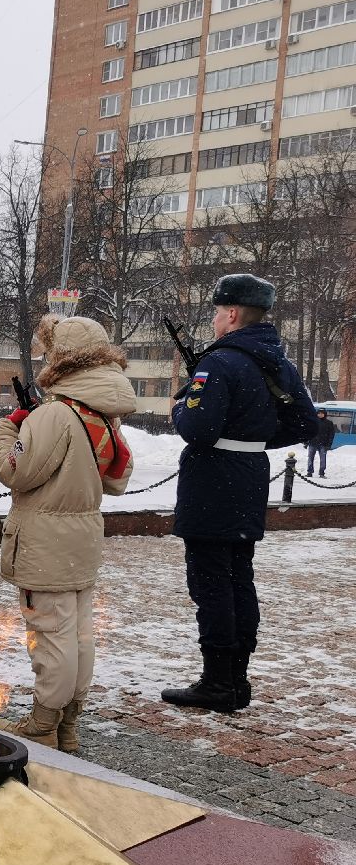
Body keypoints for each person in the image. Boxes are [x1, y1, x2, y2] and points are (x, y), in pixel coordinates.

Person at [162, 274, 318, 715]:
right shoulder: (277, 362)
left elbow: (198, 428)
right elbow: (305, 424)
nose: (214, 319)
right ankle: (236, 678)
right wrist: (252, 441)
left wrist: (180, 404)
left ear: (231, 314)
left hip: (213, 481)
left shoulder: (222, 361)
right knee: (238, 579)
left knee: (210, 583)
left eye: (216, 312)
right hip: (248, 478)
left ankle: (216, 682)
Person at [0, 316, 136, 750]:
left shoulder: (56, 413)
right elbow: (118, 478)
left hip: (44, 543)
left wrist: (8, 432)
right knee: (78, 635)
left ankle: (43, 724)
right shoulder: (103, 416)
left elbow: (13, 471)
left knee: (51, 637)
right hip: (82, 539)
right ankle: (68, 723)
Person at [308, 408, 336, 477]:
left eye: (321, 413)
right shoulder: (313, 421)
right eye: (319, 413)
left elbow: (331, 434)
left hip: (323, 444)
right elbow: (308, 431)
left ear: (324, 414)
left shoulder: (329, 423)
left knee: (323, 459)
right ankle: (309, 472)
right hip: (312, 443)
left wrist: (329, 445)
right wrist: (306, 442)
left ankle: (322, 472)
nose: (320, 415)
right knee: (310, 458)